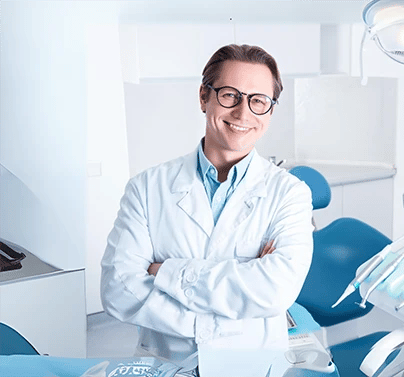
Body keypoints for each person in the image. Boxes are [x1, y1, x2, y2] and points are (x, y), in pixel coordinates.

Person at [100, 44, 314, 373]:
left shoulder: (290, 194)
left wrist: (164, 272)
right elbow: (119, 290)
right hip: (170, 366)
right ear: (204, 97)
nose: (243, 113)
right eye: (230, 95)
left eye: (258, 101)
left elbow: (276, 290)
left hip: (253, 367)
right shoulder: (146, 188)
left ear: (269, 112)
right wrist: (238, 305)